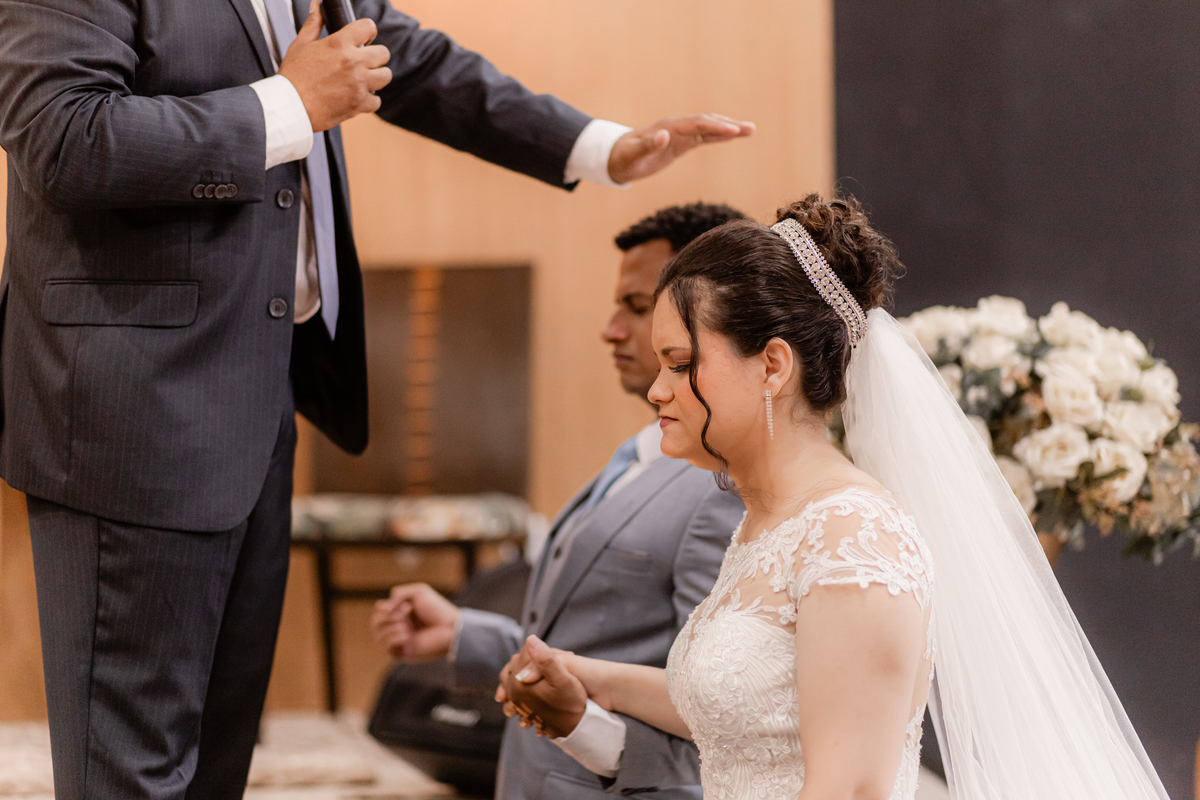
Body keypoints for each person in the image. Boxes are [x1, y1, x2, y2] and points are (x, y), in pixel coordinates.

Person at [0, 0, 754, 795]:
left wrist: (596, 147)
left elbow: (406, 58)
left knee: (216, 756)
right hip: (134, 408)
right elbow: (63, 138)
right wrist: (290, 105)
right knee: (129, 768)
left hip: (257, 400)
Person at [499, 195, 1171, 800]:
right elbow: (753, 708)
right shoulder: (767, 523)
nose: (658, 390)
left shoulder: (854, 538)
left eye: (681, 364)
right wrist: (589, 677)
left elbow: (849, 789)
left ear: (772, 366)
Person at [371, 203, 748, 800]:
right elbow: (598, 637)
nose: (611, 328)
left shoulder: (724, 491)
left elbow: (716, 720)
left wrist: (584, 729)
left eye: (634, 305)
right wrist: (462, 633)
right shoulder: (643, 452)